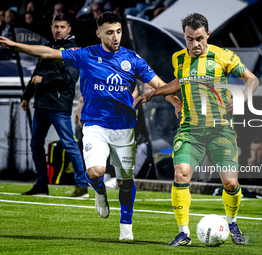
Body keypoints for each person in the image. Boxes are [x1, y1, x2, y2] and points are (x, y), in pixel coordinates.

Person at [0, 11, 181, 241]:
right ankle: (99, 191)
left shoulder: (133, 59)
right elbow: (49, 52)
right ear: (99, 34)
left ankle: (126, 225)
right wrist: (16, 46)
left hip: (124, 128)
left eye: (118, 31)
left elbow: (158, 84)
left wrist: (175, 101)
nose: (115, 37)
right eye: (109, 33)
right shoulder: (85, 54)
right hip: (95, 125)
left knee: (126, 181)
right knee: (96, 172)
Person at [134, 13, 259, 246]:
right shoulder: (178, 59)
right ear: (184, 36)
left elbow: (252, 80)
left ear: (208, 34)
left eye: (199, 38)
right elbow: (181, 82)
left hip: (221, 129)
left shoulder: (223, 56)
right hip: (190, 129)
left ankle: (231, 222)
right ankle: (184, 233)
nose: (195, 44)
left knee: (231, 183)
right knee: (181, 172)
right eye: (190, 39)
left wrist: (243, 96)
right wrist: (155, 92)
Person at [15, 14, 89, 198]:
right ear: (51, 28)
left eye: (62, 27)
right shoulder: (48, 46)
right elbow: (37, 72)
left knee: (69, 144)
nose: (58, 30)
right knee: (35, 145)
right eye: (55, 26)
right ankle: (41, 185)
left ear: (69, 29)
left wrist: (44, 80)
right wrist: (27, 96)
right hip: (41, 105)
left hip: (59, 106)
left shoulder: (73, 50)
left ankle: (82, 186)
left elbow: (69, 79)